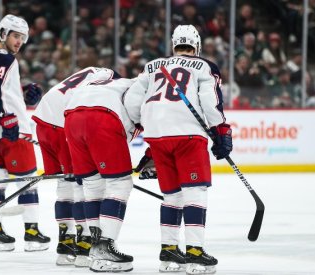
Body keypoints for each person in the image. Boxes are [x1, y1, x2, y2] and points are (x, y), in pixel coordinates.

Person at [124, 25, 232, 274]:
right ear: (197, 45)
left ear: (174, 44)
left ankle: (169, 252)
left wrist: (144, 123)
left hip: (157, 138)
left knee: (172, 195)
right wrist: (220, 131)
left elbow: (131, 100)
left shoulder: (152, 66)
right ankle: (194, 252)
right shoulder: (205, 66)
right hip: (187, 136)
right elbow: (210, 101)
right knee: (195, 192)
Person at [0, 14, 49, 253]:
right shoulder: (4, 58)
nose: (19, 41)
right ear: (3, 34)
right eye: (15, 36)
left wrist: (22, 91)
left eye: (23, 38)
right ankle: (32, 233)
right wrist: (6, 117)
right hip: (10, 131)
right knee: (29, 182)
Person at [32, 67, 119, 266]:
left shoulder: (91, 71)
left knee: (65, 184)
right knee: (82, 183)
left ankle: (65, 244)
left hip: (42, 120)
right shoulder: (112, 81)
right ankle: (83, 247)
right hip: (63, 123)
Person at [64, 76, 140, 272]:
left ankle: (95, 248)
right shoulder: (143, 84)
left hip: (72, 118)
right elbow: (139, 113)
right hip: (101, 118)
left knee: (92, 184)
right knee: (120, 184)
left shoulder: (109, 83)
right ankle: (105, 246)